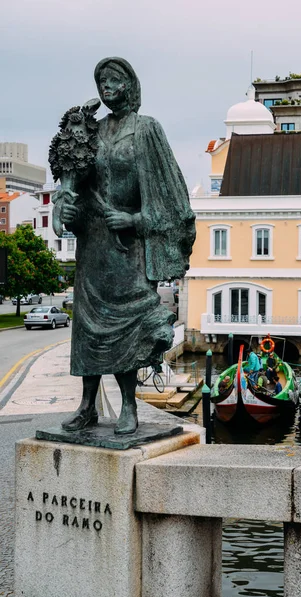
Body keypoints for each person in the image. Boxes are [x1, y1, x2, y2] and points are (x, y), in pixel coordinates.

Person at [54, 57, 196, 435]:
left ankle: (129, 406)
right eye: (101, 80)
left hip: (127, 250)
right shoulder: (90, 133)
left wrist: (135, 220)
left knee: (127, 330)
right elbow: (75, 190)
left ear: (130, 85)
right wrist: (67, 209)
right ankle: (86, 405)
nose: (107, 86)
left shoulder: (147, 130)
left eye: (114, 79)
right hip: (93, 247)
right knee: (87, 329)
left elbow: (173, 201)